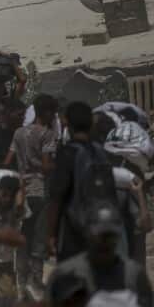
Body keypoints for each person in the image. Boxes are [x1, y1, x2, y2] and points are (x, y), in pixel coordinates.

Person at [48, 101, 118, 263]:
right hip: (102, 228)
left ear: (67, 123)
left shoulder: (67, 153)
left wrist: (51, 234)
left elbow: (57, 197)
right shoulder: (100, 151)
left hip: (74, 231)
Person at [48, 201, 154, 307]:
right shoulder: (66, 274)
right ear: (87, 234)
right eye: (99, 236)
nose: (104, 242)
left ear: (118, 237)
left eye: (110, 236)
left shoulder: (134, 274)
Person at [8, 93, 58, 299]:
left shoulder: (18, 133)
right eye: (52, 114)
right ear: (46, 112)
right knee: (38, 241)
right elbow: (46, 166)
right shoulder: (47, 134)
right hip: (40, 192)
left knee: (23, 239)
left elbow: (8, 159)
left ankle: (21, 285)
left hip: (22, 192)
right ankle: (36, 284)